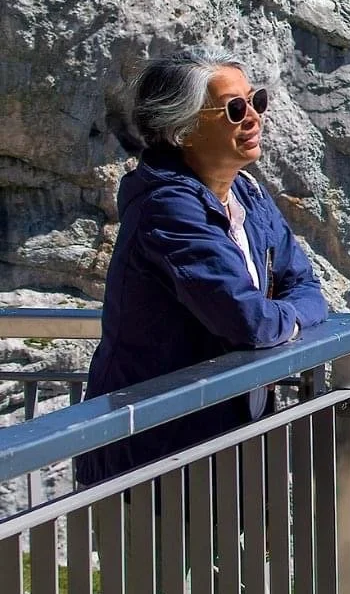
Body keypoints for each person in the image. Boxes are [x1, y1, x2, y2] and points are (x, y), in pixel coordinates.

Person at [80, 53, 328, 481]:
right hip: (156, 460)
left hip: (219, 448)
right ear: (183, 131)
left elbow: (303, 282)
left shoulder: (246, 193)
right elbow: (250, 322)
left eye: (256, 101)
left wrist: (283, 317)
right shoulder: (169, 208)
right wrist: (286, 319)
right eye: (234, 109)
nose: (252, 117)